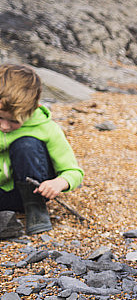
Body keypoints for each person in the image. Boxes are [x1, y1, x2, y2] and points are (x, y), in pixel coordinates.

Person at [0, 64, 84, 234]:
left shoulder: (46, 128)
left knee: (26, 145)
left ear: (33, 109)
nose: (4, 126)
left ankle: (35, 210)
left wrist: (58, 183)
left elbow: (74, 172)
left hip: (29, 193)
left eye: (14, 121)